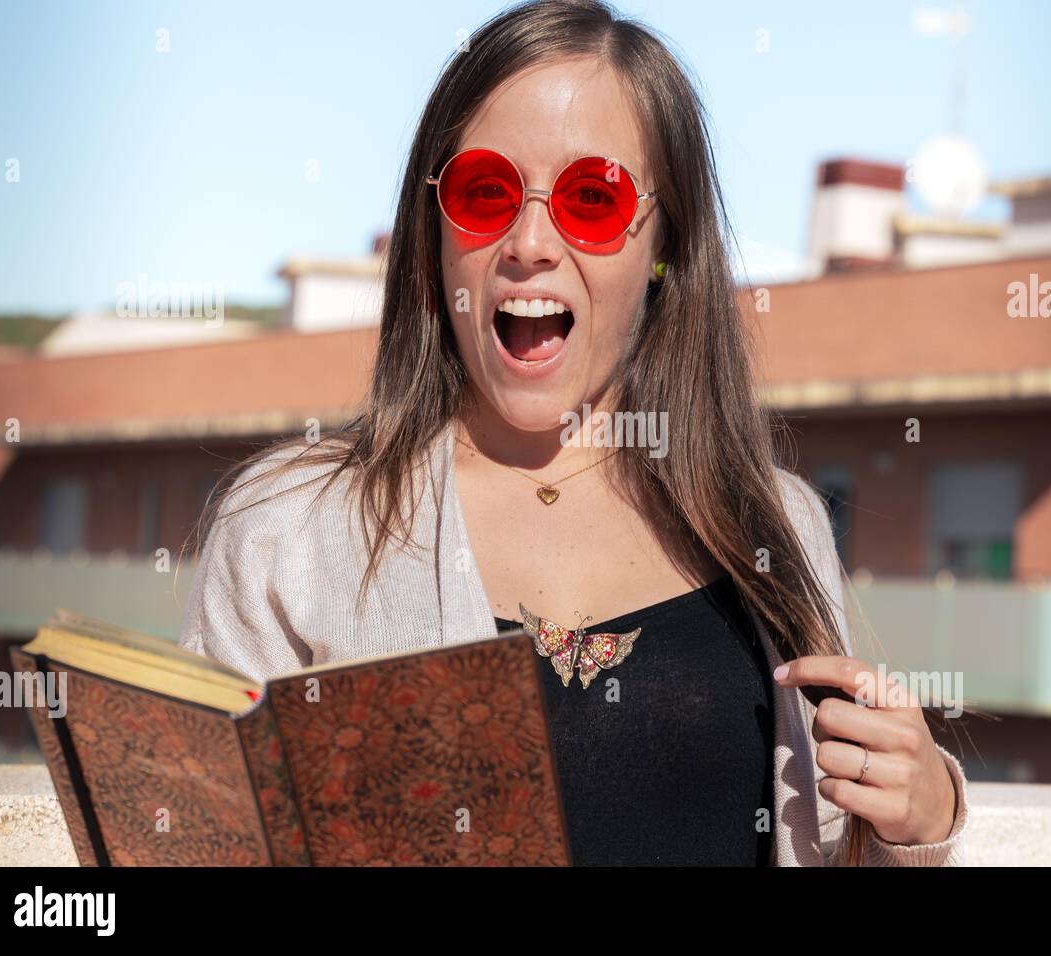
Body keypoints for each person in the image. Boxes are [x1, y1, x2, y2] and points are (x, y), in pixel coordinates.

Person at [179, 0, 969, 866]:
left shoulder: (775, 523)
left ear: (665, 244)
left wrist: (921, 822)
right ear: (433, 234)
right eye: (486, 193)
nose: (528, 243)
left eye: (592, 199)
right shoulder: (288, 528)